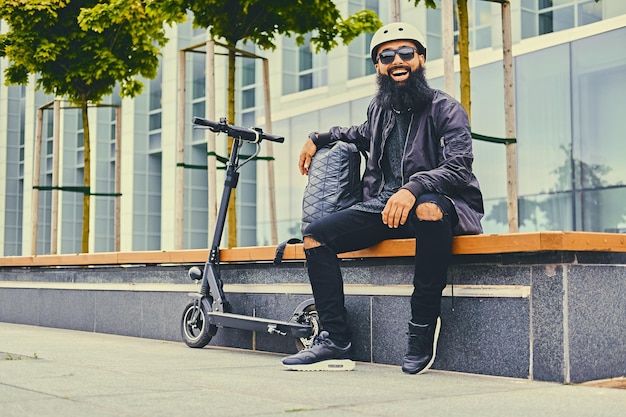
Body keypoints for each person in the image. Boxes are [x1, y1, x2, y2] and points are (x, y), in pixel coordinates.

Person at [281, 22, 484, 373]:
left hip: (440, 206)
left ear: (421, 59)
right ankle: (334, 339)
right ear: (378, 66)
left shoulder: (446, 109)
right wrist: (319, 136)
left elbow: (458, 167)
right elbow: (357, 134)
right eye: (386, 56)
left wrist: (413, 188)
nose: (397, 61)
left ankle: (422, 327)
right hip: (383, 207)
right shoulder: (379, 109)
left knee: (429, 210)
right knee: (315, 236)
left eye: (406, 53)